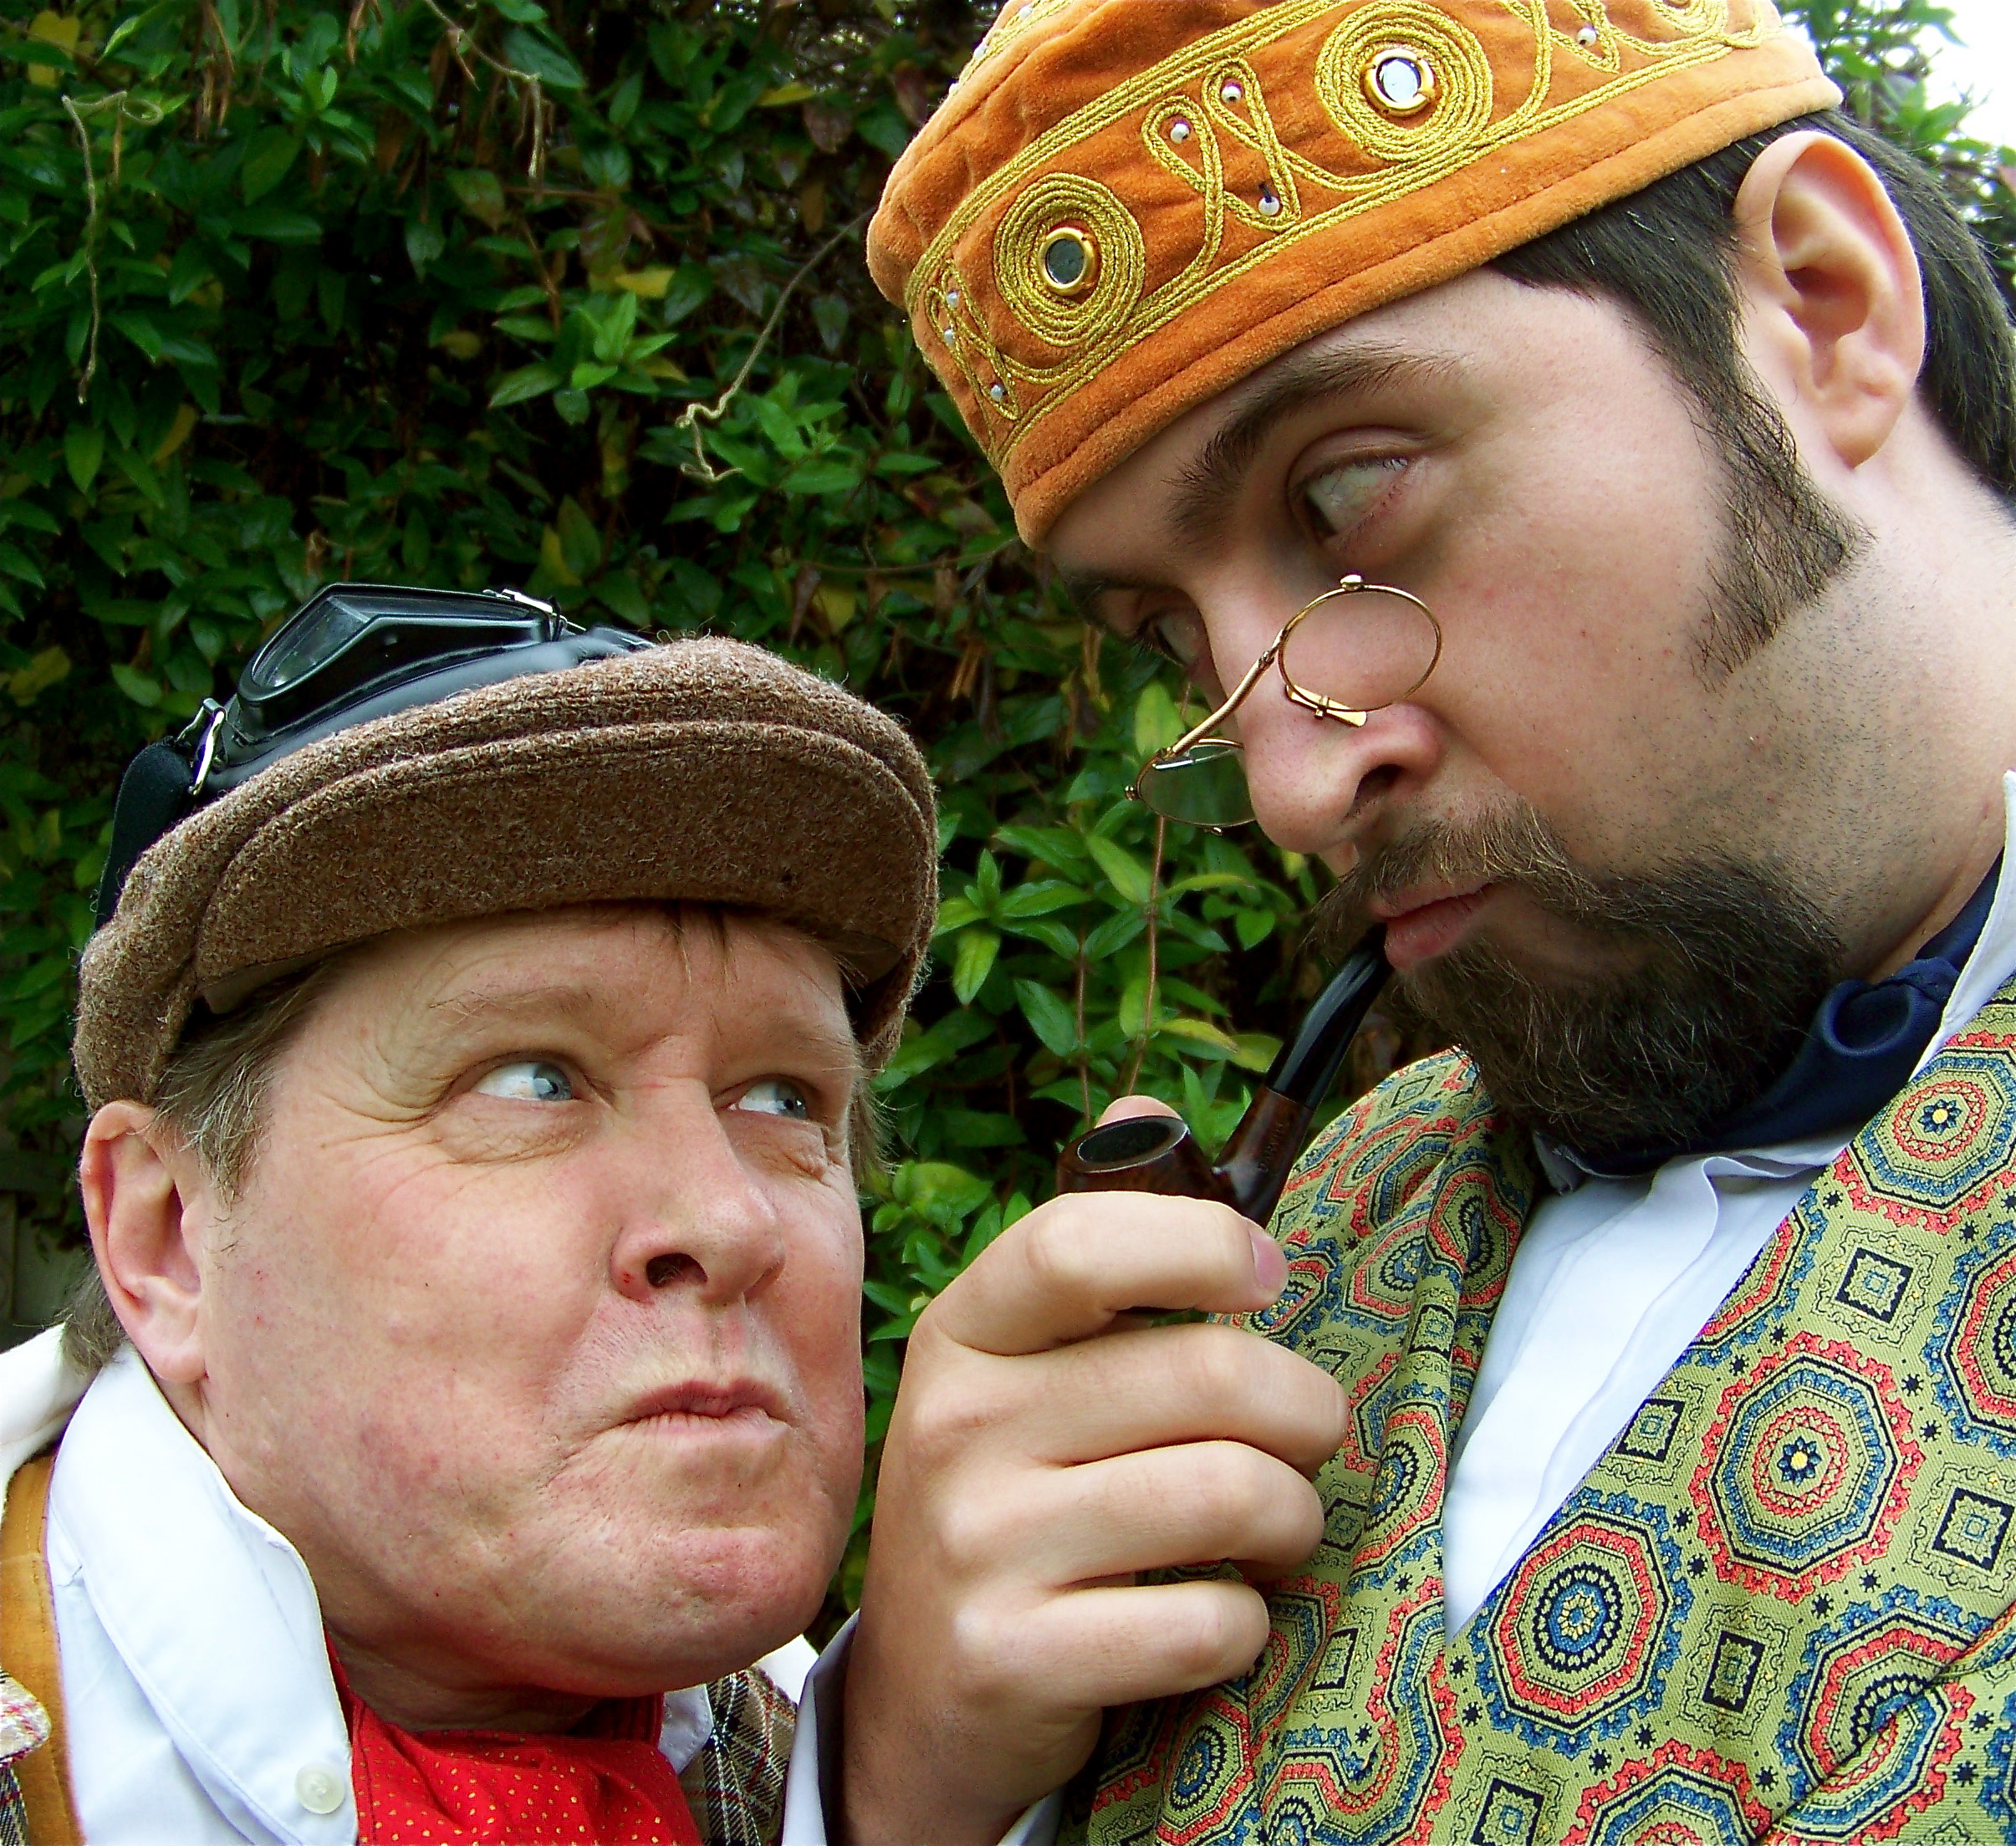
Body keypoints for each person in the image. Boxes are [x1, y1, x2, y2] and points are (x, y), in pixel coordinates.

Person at [843, 0, 2016, 1840]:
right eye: (1175, 642)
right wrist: (904, 1779)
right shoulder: (1316, 1244)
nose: (1290, 790)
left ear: (1823, 303)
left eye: (1349, 498)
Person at [0, 584, 937, 1843]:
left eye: (781, 1098)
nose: (729, 1222)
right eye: (533, 1080)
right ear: (167, 1239)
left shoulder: (880, 1766)